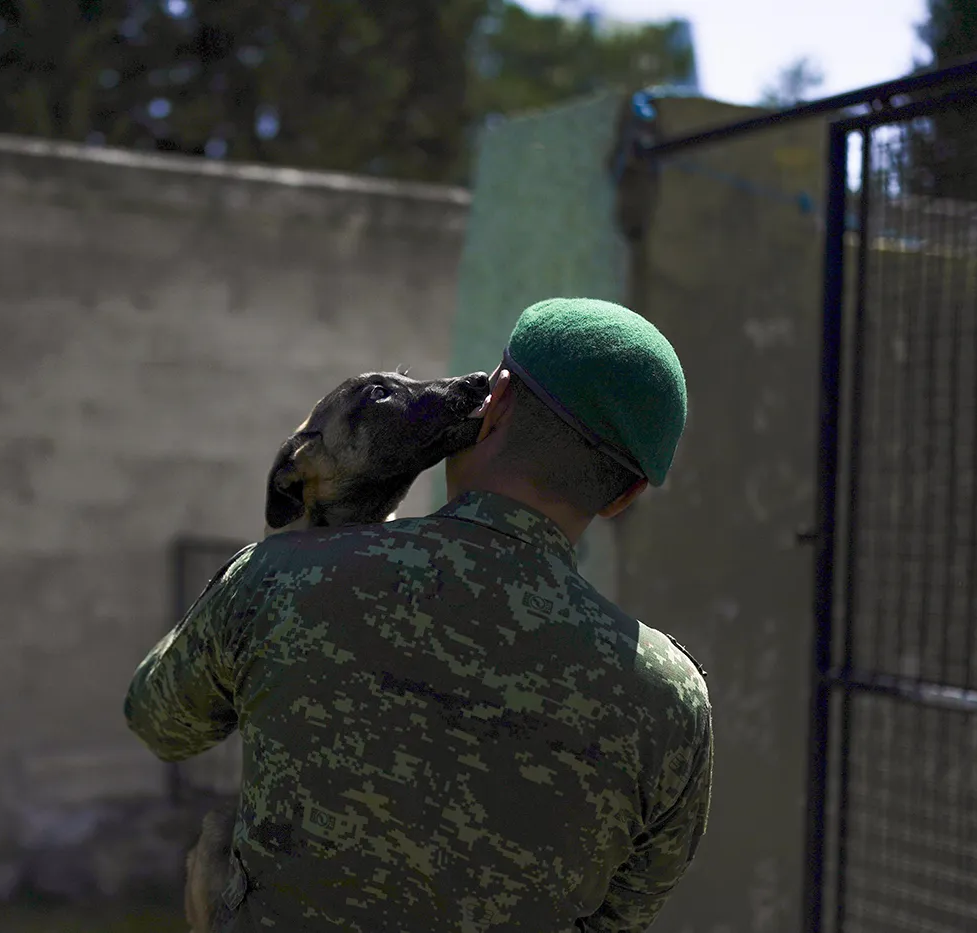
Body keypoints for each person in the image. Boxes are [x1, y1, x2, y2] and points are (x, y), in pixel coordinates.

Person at [124, 297, 713, 932]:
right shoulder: (672, 700)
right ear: (626, 496)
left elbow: (160, 720)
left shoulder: (283, 579)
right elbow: (618, 918)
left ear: (499, 403)